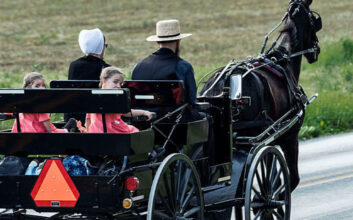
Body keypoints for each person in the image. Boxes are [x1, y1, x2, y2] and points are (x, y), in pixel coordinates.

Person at [132, 19, 197, 107]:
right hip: (176, 117)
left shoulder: (138, 66)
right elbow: (191, 100)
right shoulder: (183, 66)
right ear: (178, 41)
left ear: (157, 42)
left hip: (142, 116)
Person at [86, 67, 153, 133]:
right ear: (104, 81)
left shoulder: (93, 96)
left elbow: (88, 119)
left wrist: (89, 134)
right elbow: (126, 113)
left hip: (97, 132)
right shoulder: (114, 98)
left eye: (120, 84)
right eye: (115, 82)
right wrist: (144, 112)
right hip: (114, 131)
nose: (118, 86)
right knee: (134, 132)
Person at [66, 28, 110, 123]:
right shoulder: (106, 70)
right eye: (105, 45)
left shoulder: (74, 66)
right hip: (96, 121)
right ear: (100, 47)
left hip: (73, 118)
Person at [11, 72, 77, 133]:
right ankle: (66, 130)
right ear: (28, 88)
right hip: (38, 135)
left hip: (20, 135)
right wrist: (52, 134)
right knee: (55, 131)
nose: (41, 88)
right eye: (37, 86)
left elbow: (11, 112)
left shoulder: (20, 102)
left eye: (43, 85)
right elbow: (48, 127)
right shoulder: (41, 104)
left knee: (55, 129)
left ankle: (65, 129)